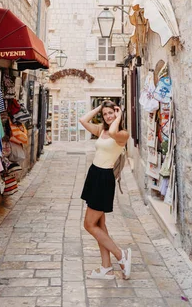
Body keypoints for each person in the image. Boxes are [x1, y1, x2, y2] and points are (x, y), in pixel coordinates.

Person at [79, 100, 131, 280]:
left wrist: (120, 115)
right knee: (100, 224)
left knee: (89, 224)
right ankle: (106, 267)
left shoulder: (122, 134)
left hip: (104, 178)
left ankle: (120, 255)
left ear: (117, 114)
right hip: (94, 175)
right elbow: (83, 120)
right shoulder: (102, 130)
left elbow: (115, 131)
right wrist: (99, 108)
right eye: (106, 114)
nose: (108, 116)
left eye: (111, 113)